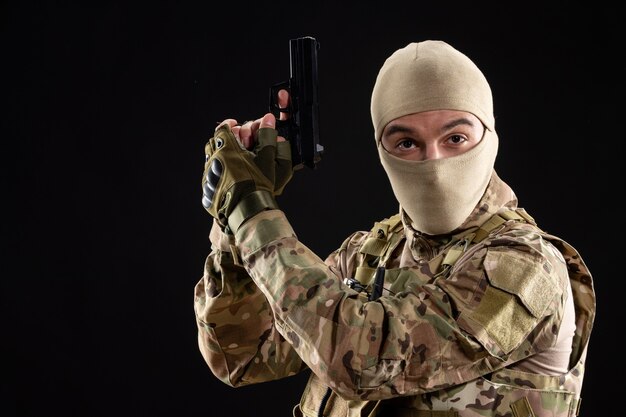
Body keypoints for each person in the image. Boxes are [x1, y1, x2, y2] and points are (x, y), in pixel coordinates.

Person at [193, 40, 596, 417]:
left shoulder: (526, 266)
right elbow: (242, 355)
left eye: (455, 137)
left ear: (489, 138)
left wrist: (252, 211)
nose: (434, 162)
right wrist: (232, 225)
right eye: (406, 143)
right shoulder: (370, 253)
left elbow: (361, 361)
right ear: (382, 152)